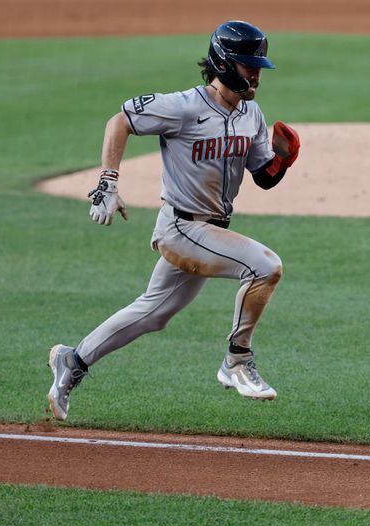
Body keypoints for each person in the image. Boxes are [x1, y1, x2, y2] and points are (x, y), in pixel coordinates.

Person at [47, 20, 300, 420]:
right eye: (247, 65)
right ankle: (237, 360)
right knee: (265, 267)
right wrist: (108, 182)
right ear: (222, 63)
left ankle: (72, 361)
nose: (255, 74)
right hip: (181, 228)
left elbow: (263, 177)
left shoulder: (251, 114)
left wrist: (283, 159)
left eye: (258, 66)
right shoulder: (184, 107)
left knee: (154, 313)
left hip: (209, 232)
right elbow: (120, 121)